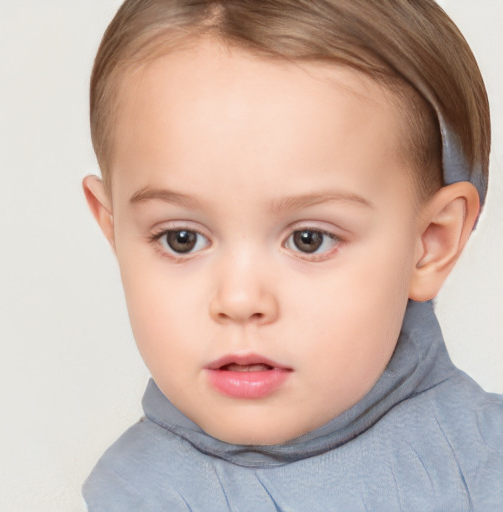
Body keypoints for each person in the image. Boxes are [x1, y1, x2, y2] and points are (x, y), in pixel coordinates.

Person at [81, 0, 503, 509]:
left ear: (430, 242)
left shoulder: (483, 467)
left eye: (309, 239)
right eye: (181, 239)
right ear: (114, 229)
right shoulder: (128, 496)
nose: (239, 300)